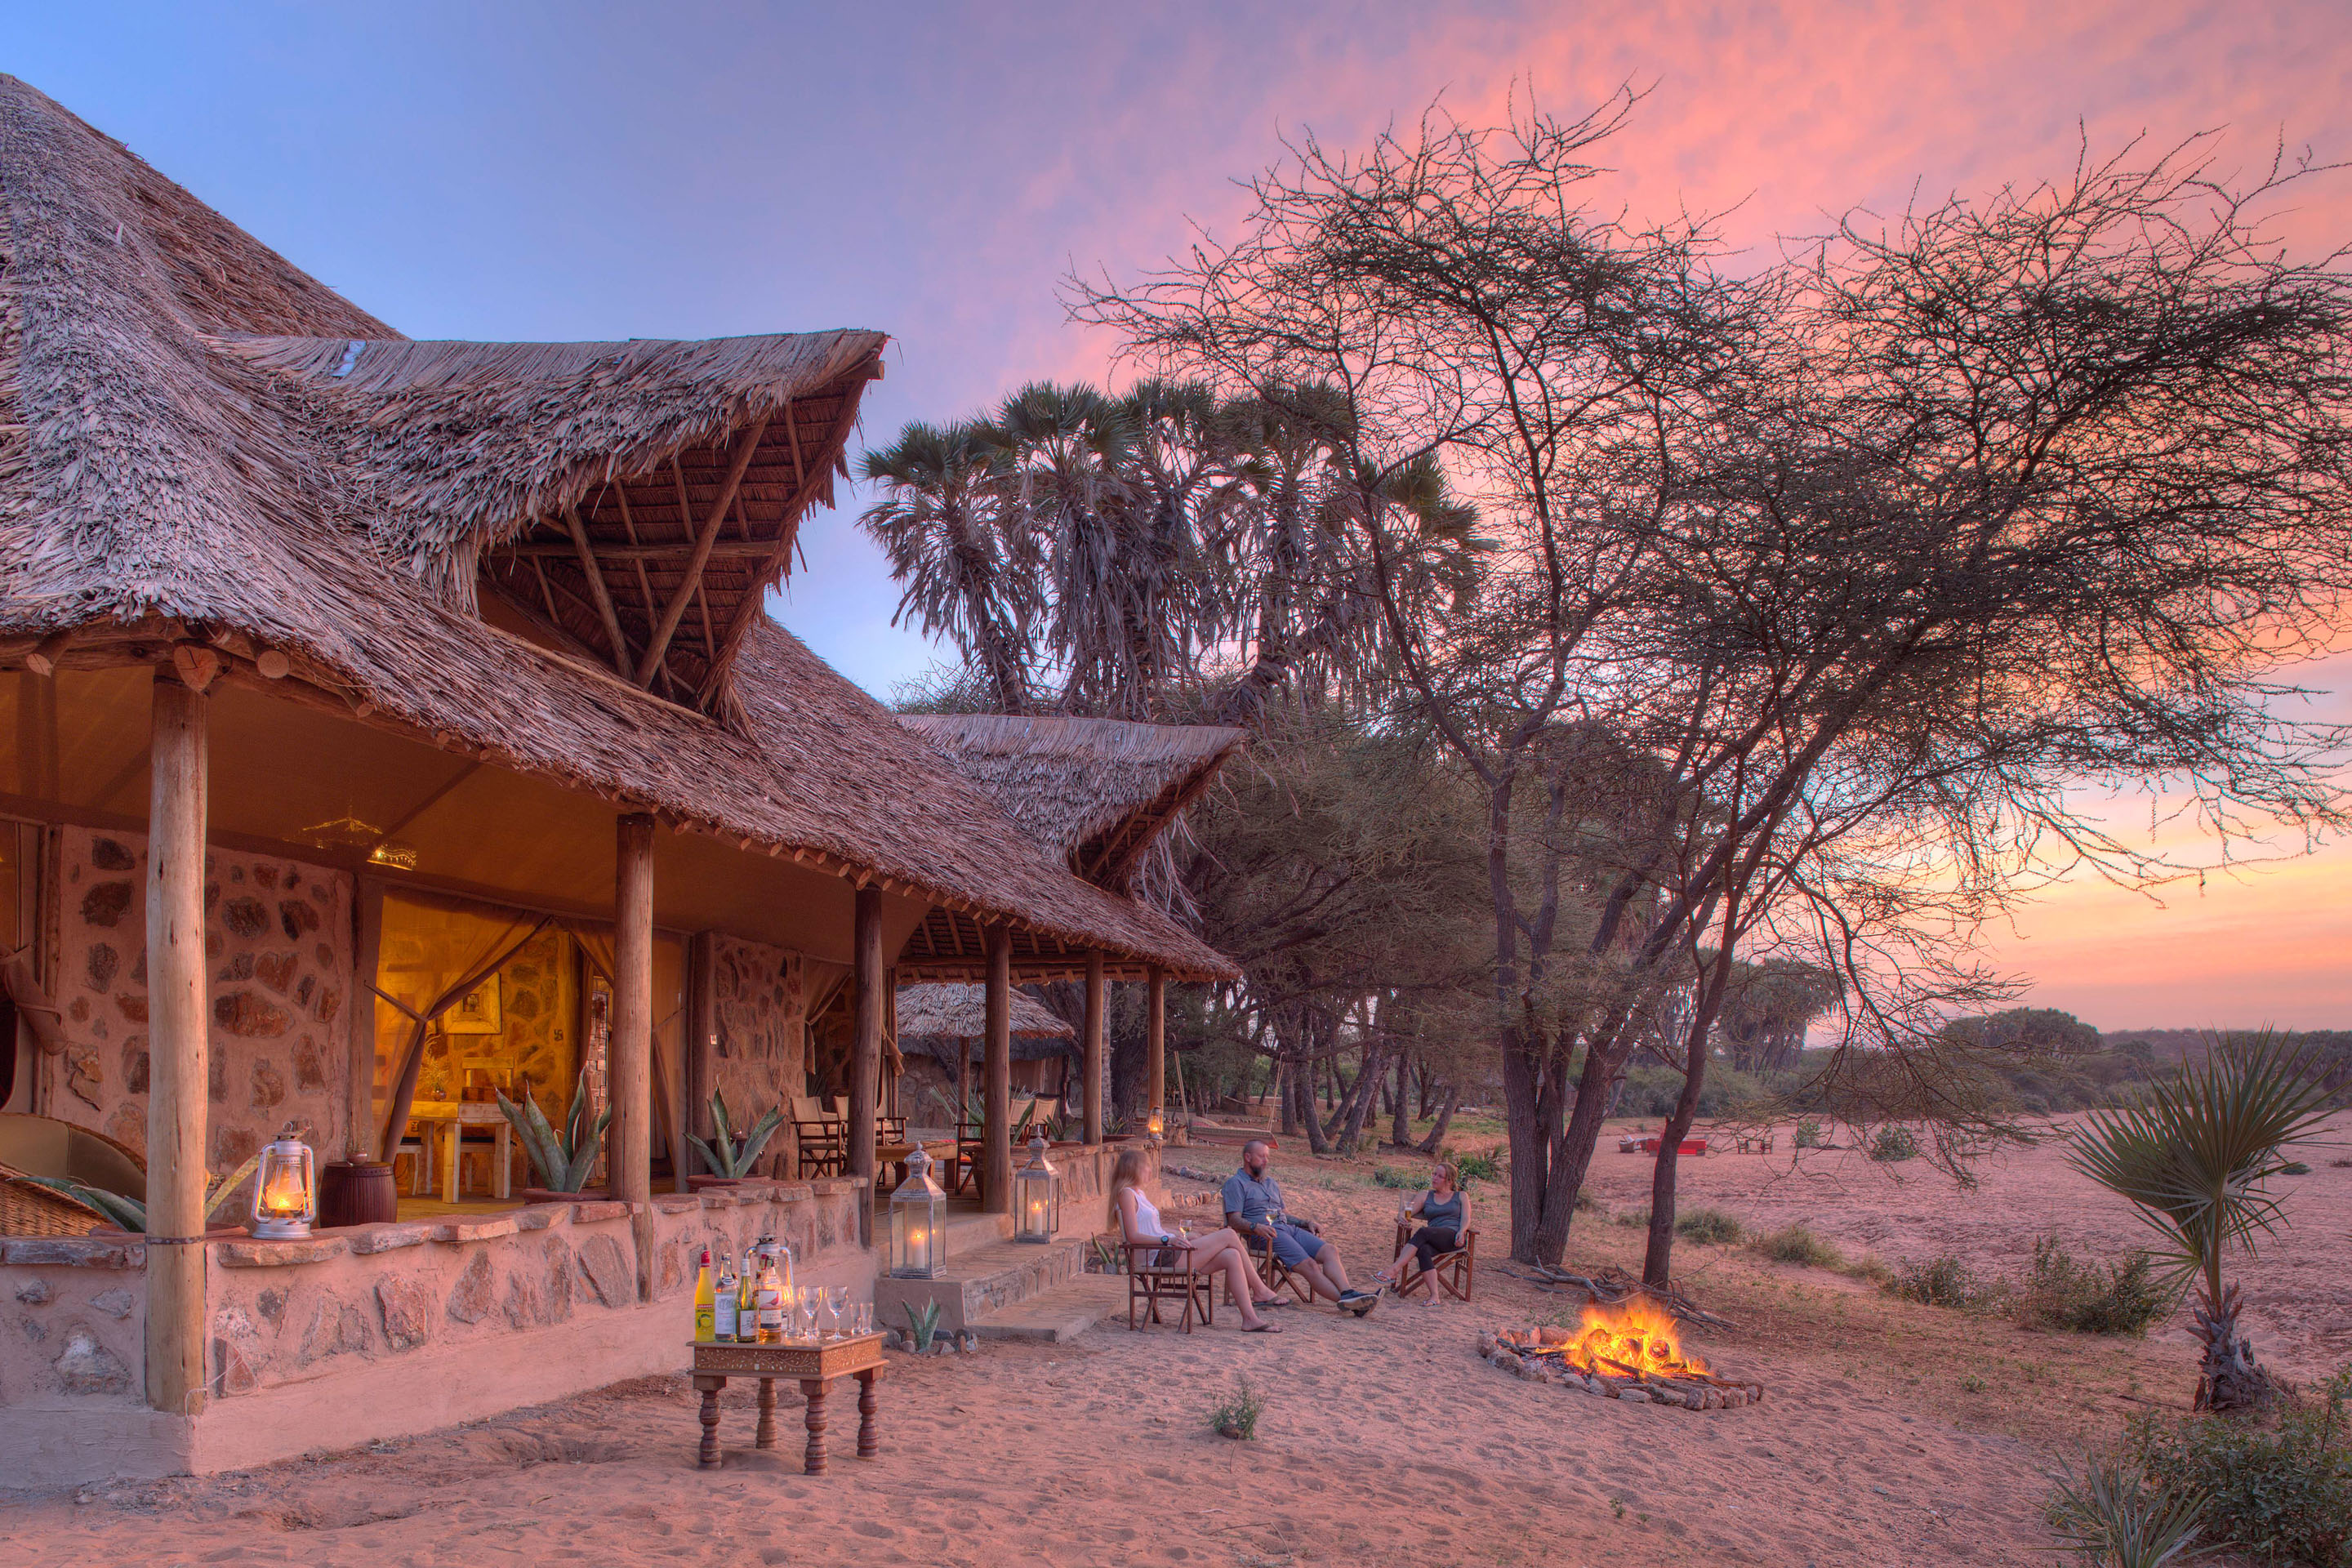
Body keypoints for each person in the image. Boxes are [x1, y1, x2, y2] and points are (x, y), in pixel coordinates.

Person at [1107, 1149, 1285, 1332]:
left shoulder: (1140, 1195)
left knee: (1231, 1255)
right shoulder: (1126, 1194)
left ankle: (1250, 1319)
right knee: (1229, 1235)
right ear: (1133, 1168)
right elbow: (1133, 1237)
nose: (1150, 1172)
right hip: (1158, 1258)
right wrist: (1168, 1240)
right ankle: (1260, 1290)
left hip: (1166, 1252)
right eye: (1146, 1167)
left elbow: (1154, 1230)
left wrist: (1179, 1235)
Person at [1222, 1139, 1376, 1315]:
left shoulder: (1271, 1183)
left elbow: (1284, 1213)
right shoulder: (1236, 1184)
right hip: (1265, 1235)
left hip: (1287, 1229)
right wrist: (1255, 1227)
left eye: (1267, 1156)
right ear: (1247, 1157)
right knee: (1310, 1265)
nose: (1266, 1161)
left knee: (1330, 1250)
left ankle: (1349, 1293)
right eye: (1261, 1156)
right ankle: (1352, 1303)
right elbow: (1233, 1220)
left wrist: (1304, 1223)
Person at [1375, 1162, 1469, 1304]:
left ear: (1449, 1181)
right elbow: (1408, 1211)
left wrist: (1462, 1231)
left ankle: (1394, 1270)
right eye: (1434, 1174)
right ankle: (1434, 1297)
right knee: (1423, 1250)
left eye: (1440, 1176)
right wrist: (1402, 1217)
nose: (1435, 1178)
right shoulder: (1426, 1195)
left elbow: (1466, 1218)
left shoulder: (1461, 1196)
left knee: (1423, 1232)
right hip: (1433, 1238)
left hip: (1453, 1237)